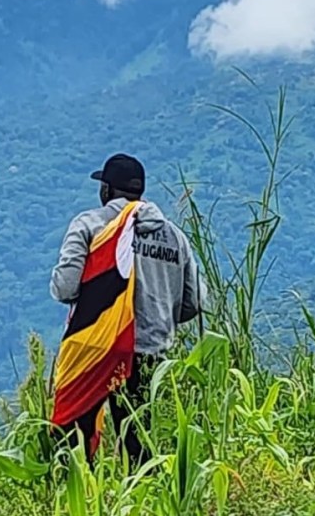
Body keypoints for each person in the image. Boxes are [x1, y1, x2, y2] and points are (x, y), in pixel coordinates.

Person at [49, 153, 207, 466]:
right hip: (150, 352)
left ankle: (77, 503)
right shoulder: (174, 236)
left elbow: (65, 288)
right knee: (138, 445)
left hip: (93, 349)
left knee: (72, 443)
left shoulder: (89, 225)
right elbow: (194, 303)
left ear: (106, 191)